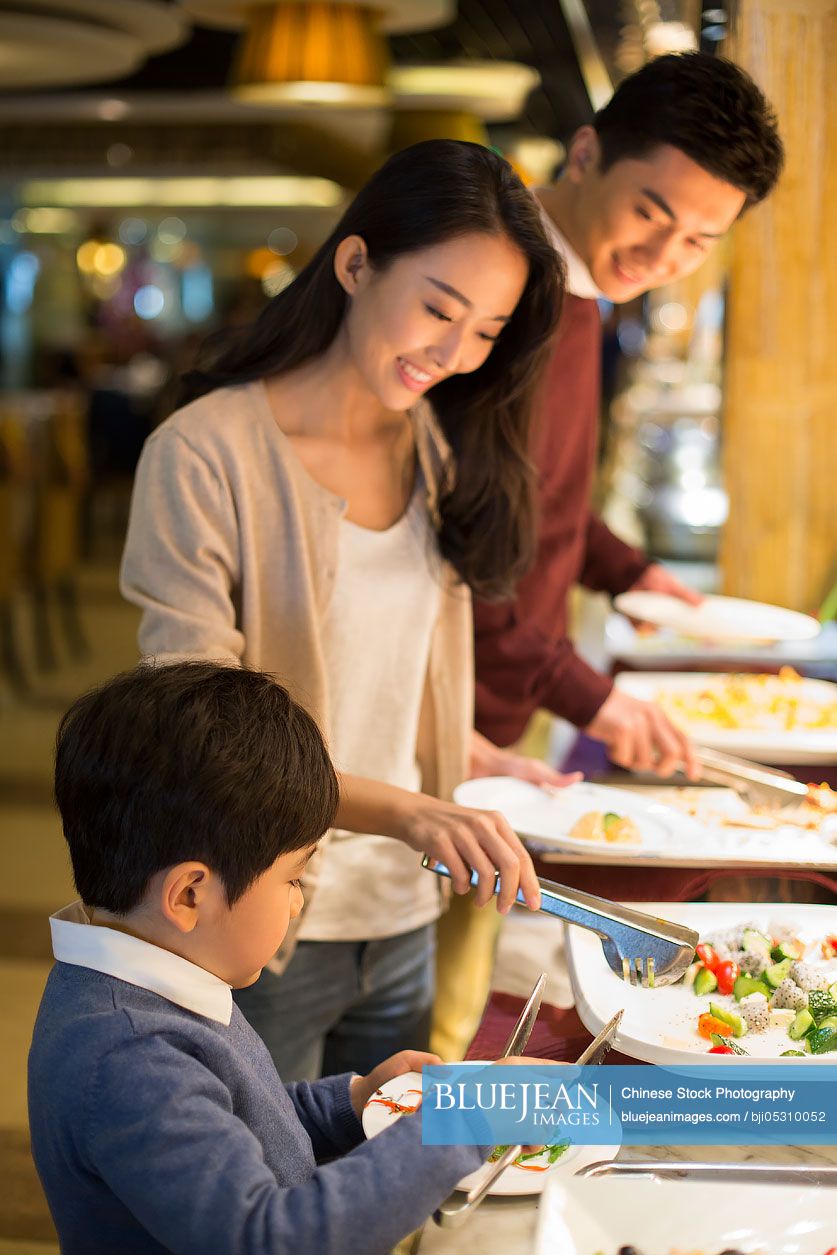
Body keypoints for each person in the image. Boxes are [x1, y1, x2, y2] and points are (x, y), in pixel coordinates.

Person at [120, 139, 577, 1077]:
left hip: (402, 909)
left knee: (379, 1192)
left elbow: (392, 663)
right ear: (356, 262)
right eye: (438, 308)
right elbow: (198, 734)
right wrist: (410, 810)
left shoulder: (436, 449)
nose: (453, 353)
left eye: (487, 330)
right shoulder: (206, 453)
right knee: (272, 1205)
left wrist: (467, 760)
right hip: (264, 919)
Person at [29, 661, 509, 1255]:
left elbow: (244, 1123)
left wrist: (353, 1103)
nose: (298, 902)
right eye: (293, 877)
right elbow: (271, 1237)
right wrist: (473, 1119)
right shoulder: (132, 1056)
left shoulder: (153, 972)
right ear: (190, 895)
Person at [474, 51, 784, 776]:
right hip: (440, 708)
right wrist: (588, 697)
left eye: (698, 242)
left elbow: (537, 495)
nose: (662, 255)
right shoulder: (495, 295)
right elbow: (464, 535)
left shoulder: (576, 295)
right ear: (584, 153)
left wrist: (629, 571)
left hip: (500, 697)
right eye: (649, 212)